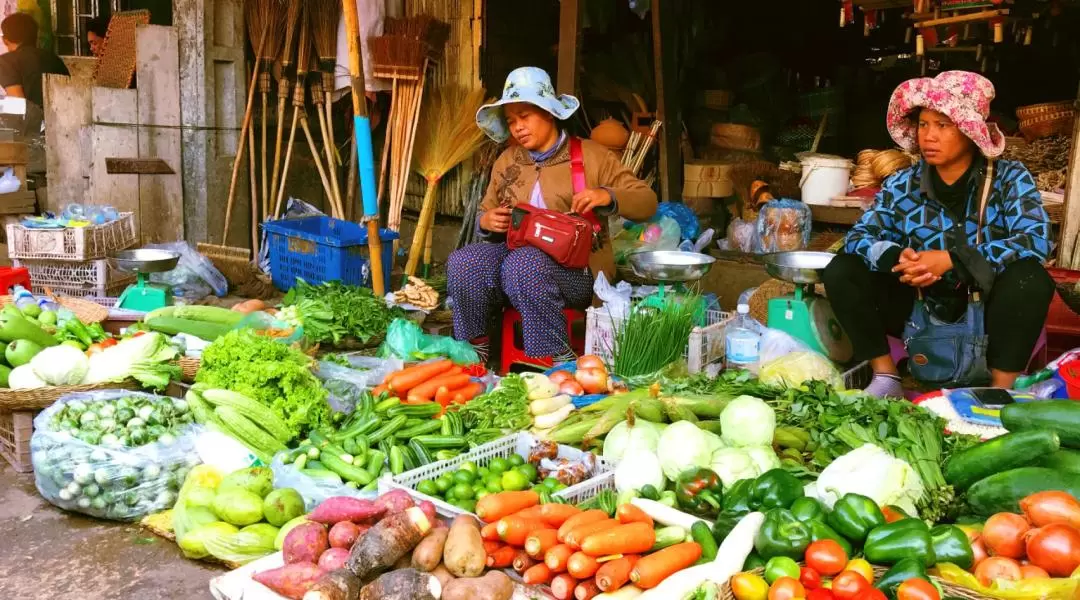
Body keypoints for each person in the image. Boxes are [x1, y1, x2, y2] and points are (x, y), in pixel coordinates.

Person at [823, 71, 1054, 396]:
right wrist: (896, 256)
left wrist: (953, 261)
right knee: (842, 269)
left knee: (1030, 278)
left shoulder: (1008, 180)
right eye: (923, 124)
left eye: (943, 126)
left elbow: (1035, 240)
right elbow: (860, 238)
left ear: (970, 133)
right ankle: (886, 377)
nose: (929, 136)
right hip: (918, 305)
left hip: (986, 308)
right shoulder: (902, 184)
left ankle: (1000, 391)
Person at [447, 67, 657, 363]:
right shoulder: (508, 160)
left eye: (525, 116)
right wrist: (486, 221)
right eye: (511, 121)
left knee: (524, 265)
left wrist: (607, 195)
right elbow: (486, 209)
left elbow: (647, 202)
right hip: (512, 265)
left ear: (549, 112)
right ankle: (477, 351)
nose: (517, 127)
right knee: (464, 262)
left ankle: (559, 360)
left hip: (578, 272)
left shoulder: (591, 156)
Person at [0, 12, 69, 109]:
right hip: (62, 118)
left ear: (5, 40)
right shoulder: (53, 58)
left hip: (34, 122)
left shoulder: (6, 62)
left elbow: (18, 107)